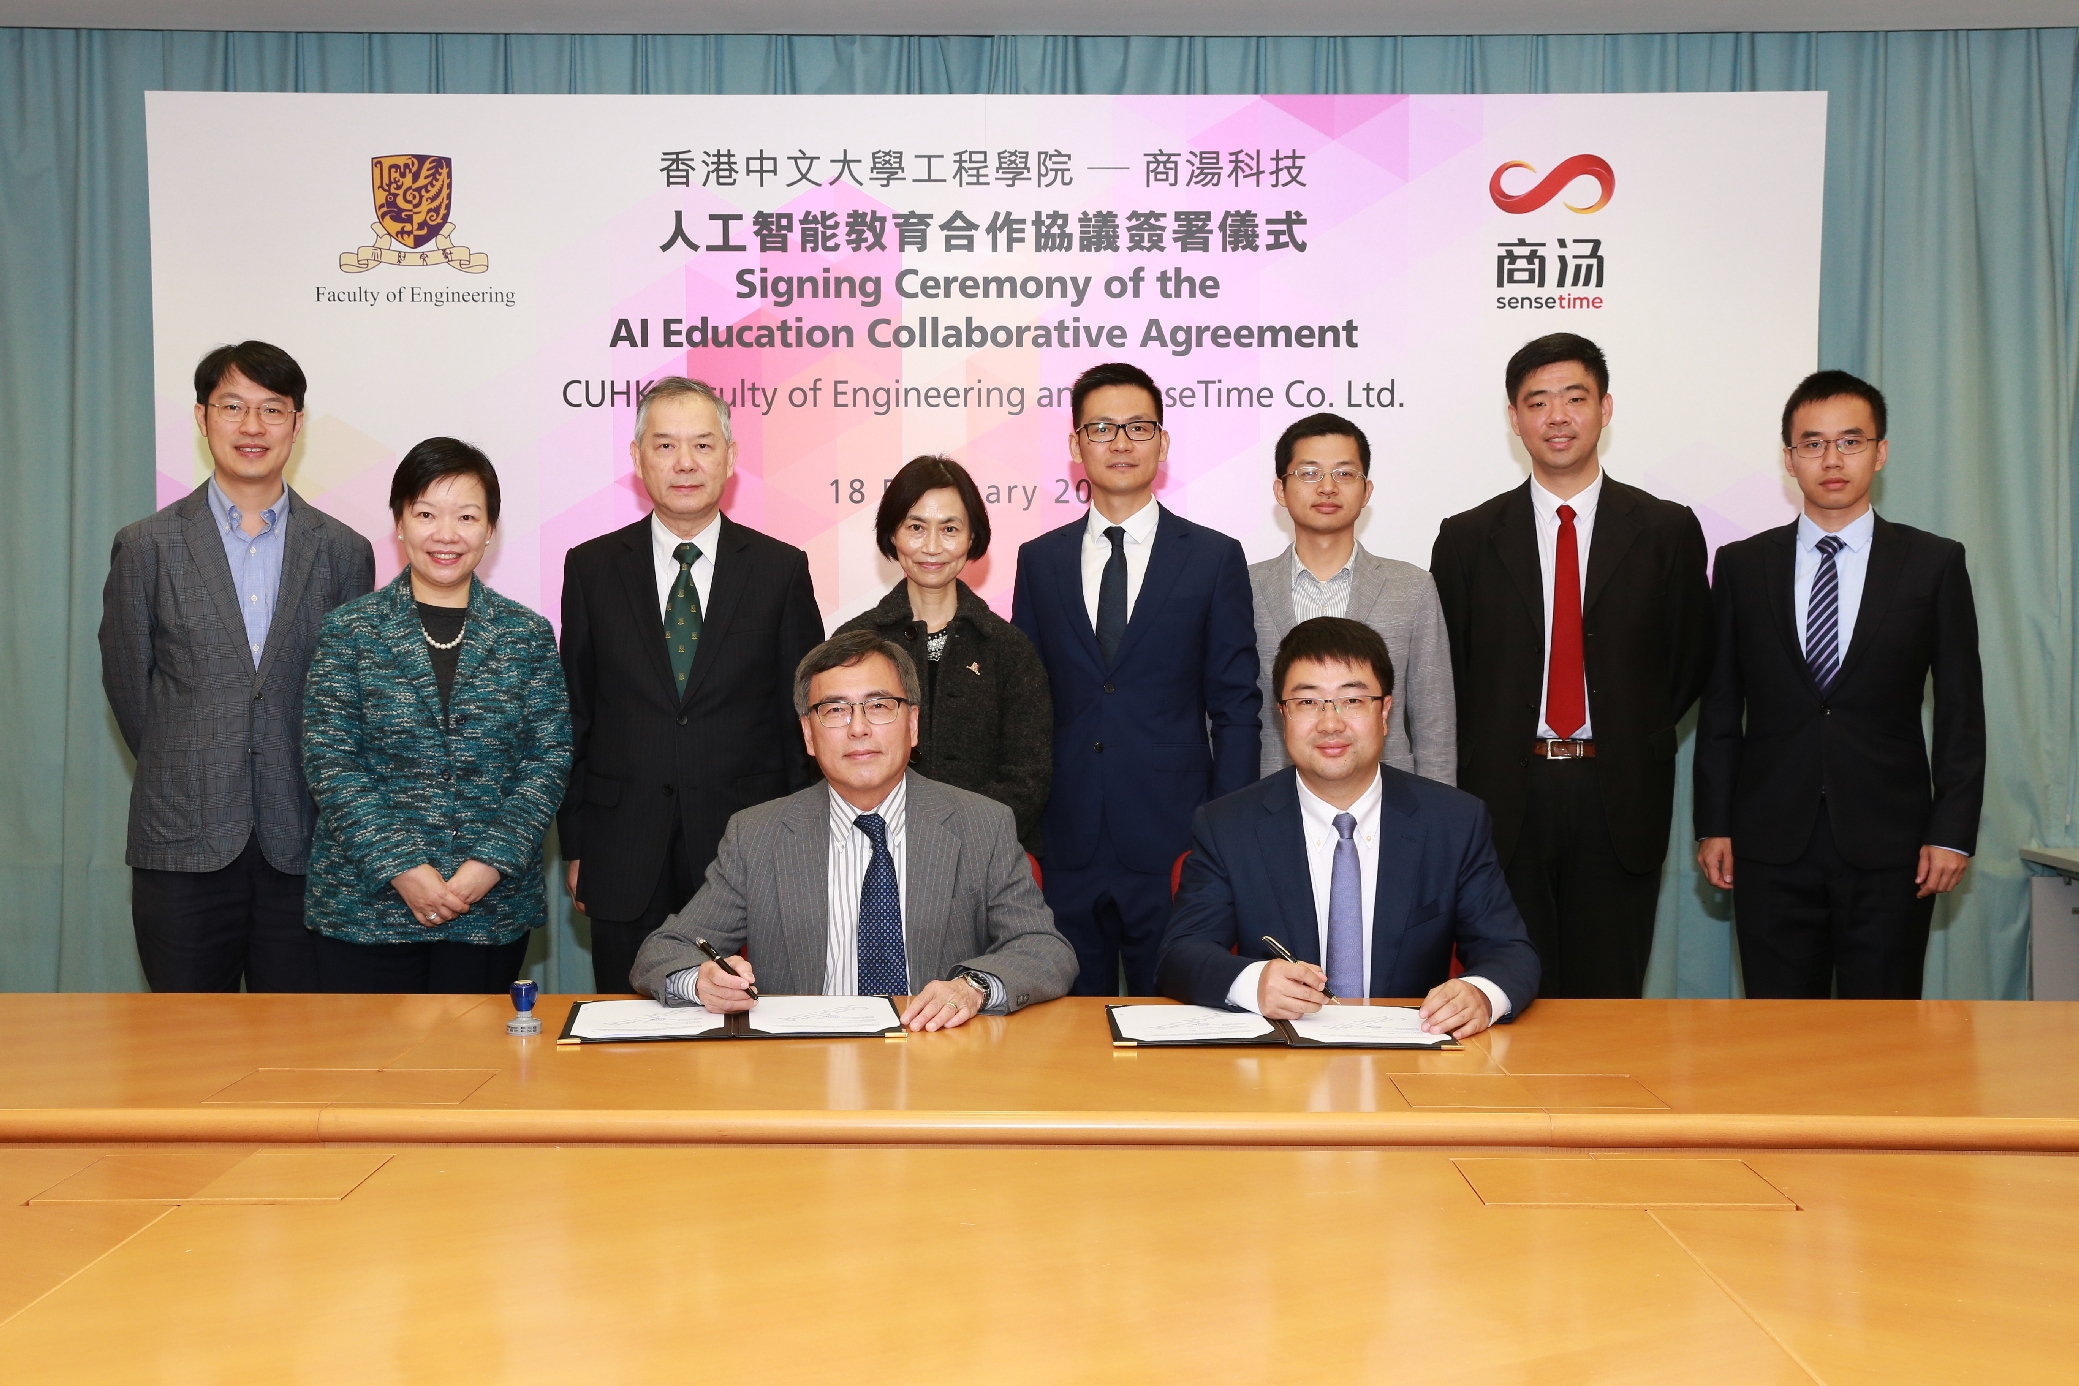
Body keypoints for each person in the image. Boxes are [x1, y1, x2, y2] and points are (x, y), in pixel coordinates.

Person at [1430, 333, 1711, 998]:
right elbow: (1451, 676)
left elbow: (1687, 660)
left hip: (1615, 794)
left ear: (1604, 408)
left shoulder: (1664, 529)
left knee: (1606, 996)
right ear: (1513, 417)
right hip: (1502, 794)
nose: (1556, 416)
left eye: (1573, 397)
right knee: (1504, 988)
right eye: (1537, 401)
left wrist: (1623, 728)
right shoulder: (1467, 538)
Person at [1695, 371, 1985, 999]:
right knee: (1777, 1039)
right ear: (1789, 459)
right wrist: (1713, 823)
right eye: (1813, 443)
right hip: (1769, 843)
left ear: (1880, 452)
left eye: (1850, 442)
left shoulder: (1933, 563)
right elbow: (1721, 707)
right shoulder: (1744, 565)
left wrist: (1952, 830)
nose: (1832, 460)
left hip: (1895, 847)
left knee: (1882, 1041)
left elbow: (1963, 709)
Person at [99, 341, 375, 992]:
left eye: (271, 410)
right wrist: (193, 759)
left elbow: (351, 700)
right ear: (201, 418)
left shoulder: (343, 551)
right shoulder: (146, 547)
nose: (252, 427)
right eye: (232, 406)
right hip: (183, 845)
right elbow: (131, 692)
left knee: (302, 1058)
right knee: (188, 1055)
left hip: (306, 846)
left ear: (296, 424)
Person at [631, 630, 1077, 1030]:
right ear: (808, 733)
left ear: (913, 723)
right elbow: (664, 950)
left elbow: (1044, 949)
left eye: (880, 706)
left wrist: (972, 987)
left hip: (939, 1062)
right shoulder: (757, 835)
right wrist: (701, 982)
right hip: (802, 1070)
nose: (859, 728)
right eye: (835, 710)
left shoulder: (982, 824)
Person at [558, 376, 824, 993]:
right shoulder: (591, 567)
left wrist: (803, 842)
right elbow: (575, 712)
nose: (685, 463)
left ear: (730, 458)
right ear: (636, 458)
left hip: (749, 849)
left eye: (703, 445)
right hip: (623, 849)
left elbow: (802, 719)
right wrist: (578, 844)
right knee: (626, 1034)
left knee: (745, 1039)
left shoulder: (780, 569)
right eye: (665, 445)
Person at [1159, 618, 1538, 1037]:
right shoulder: (1228, 825)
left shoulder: (1453, 822)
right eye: (1307, 703)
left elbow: (1509, 951)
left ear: (1385, 712)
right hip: (1280, 1072)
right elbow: (1180, 954)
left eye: (1352, 700)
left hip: (1414, 1062)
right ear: (1282, 714)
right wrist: (1253, 983)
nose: (1330, 723)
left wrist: (1480, 994)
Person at [1011, 361, 1261, 996]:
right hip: (1066, 835)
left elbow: (1236, 707)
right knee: (1065, 1028)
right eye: (1100, 428)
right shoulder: (1039, 561)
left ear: (1163, 442)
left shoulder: (1212, 558)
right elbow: (1027, 704)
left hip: (1175, 836)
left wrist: (1222, 828)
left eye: (1138, 427)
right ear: (1075, 445)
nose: (1120, 442)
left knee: (1177, 1020)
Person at [301, 439, 571, 992]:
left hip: (488, 910)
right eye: (426, 514)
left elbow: (549, 759)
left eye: (466, 516)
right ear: (399, 522)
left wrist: (485, 867)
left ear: (490, 529)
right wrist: (404, 869)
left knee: (480, 1074)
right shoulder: (349, 630)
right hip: (366, 908)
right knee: (369, 1076)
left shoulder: (526, 635)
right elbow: (330, 760)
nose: (445, 534)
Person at [835, 455, 1052, 848]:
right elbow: (833, 758)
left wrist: (967, 845)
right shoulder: (853, 643)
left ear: (972, 538)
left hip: (983, 860)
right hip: (870, 854)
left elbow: (1027, 775)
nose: (932, 547)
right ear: (892, 535)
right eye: (916, 527)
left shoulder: (1009, 649)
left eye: (949, 528)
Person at [1250, 412, 1456, 783]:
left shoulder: (1412, 587)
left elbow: (1434, 723)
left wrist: (1437, 821)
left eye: (1344, 473)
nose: (1327, 487)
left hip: (1389, 795)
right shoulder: (1244, 588)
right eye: (1309, 473)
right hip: (1270, 795)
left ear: (1367, 491)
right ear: (1280, 490)